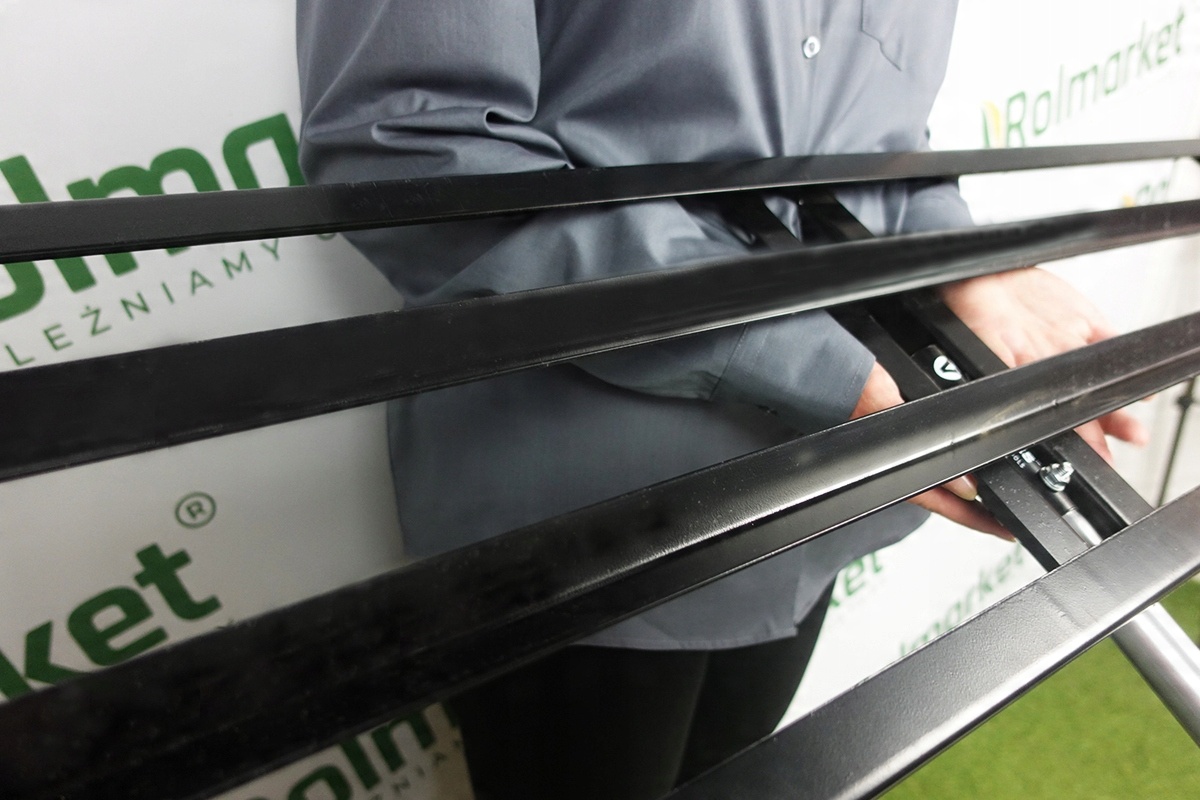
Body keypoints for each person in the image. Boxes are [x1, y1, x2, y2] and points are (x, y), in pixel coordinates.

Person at [295, 2, 1144, 797]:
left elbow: (884, 151)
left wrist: (970, 269)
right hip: (584, 516)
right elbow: (410, 149)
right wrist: (814, 366)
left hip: (819, 496)